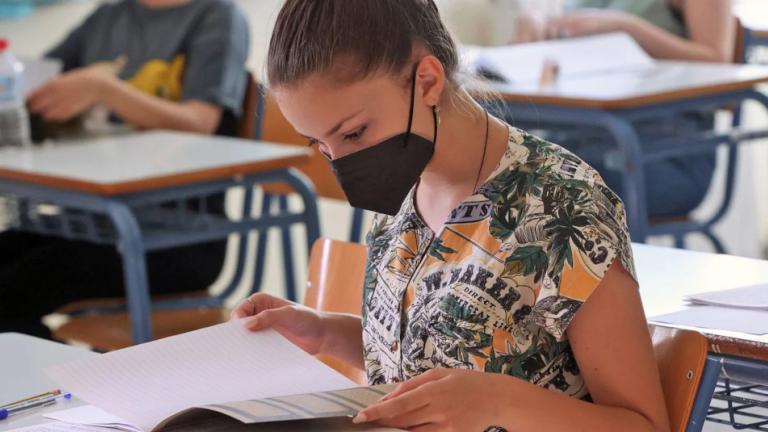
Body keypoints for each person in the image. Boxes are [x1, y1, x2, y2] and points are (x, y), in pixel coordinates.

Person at [231, 1, 670, 431]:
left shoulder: (565, 206)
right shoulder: (402, 194)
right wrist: (323, 332)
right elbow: (433, 355)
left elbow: (644, 425)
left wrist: (499, 402)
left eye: (354, 133)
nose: (341, 162)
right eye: (319, 144)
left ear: (427, 81)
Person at [0, 0, 250, 339]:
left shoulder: (217, 16)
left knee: (13, 292)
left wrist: (105, 89)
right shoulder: (109, 15)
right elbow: (35, 83)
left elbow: (201, 122)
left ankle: (56, 372)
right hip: (92, 223)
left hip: (181, 236)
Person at [515, 0, 736, 218]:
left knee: (523, 184)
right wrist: (539, 20)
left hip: (657, 155)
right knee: (511, 171)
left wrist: (627, 29)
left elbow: (716, 60)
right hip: (582, 140)